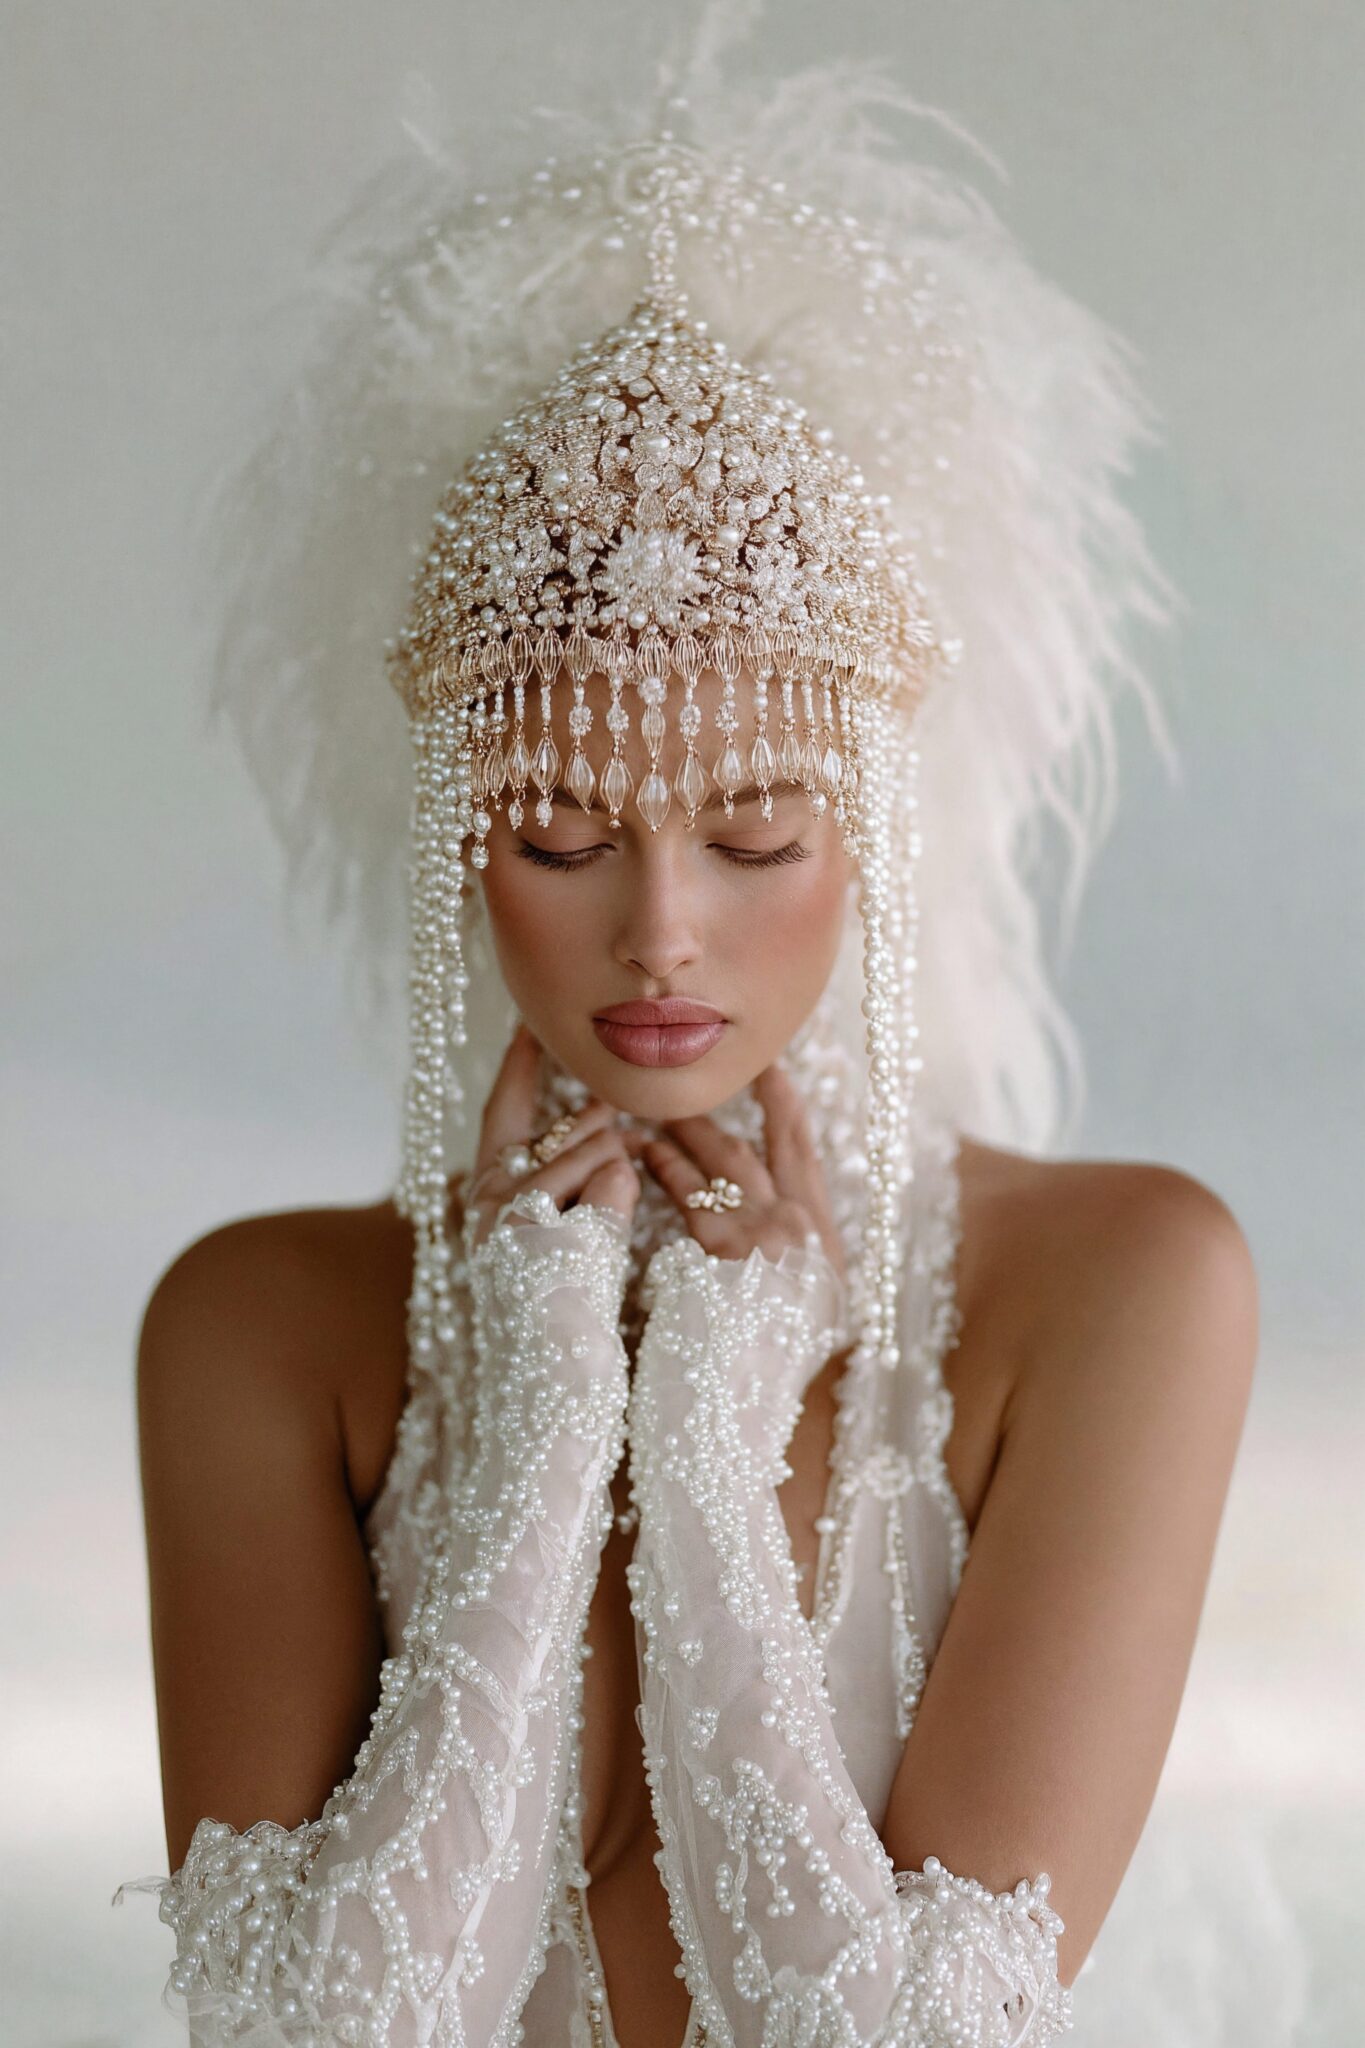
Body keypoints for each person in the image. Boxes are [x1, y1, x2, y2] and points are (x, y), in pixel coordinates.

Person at [114, 31, 1258, 2048]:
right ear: (461, 837)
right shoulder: (252, 1322)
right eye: (561, 833)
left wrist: (715, 1449)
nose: (659, 931)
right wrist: (544, 1417)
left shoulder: (1119, 1286)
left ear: (873, 832)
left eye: (751, 834)